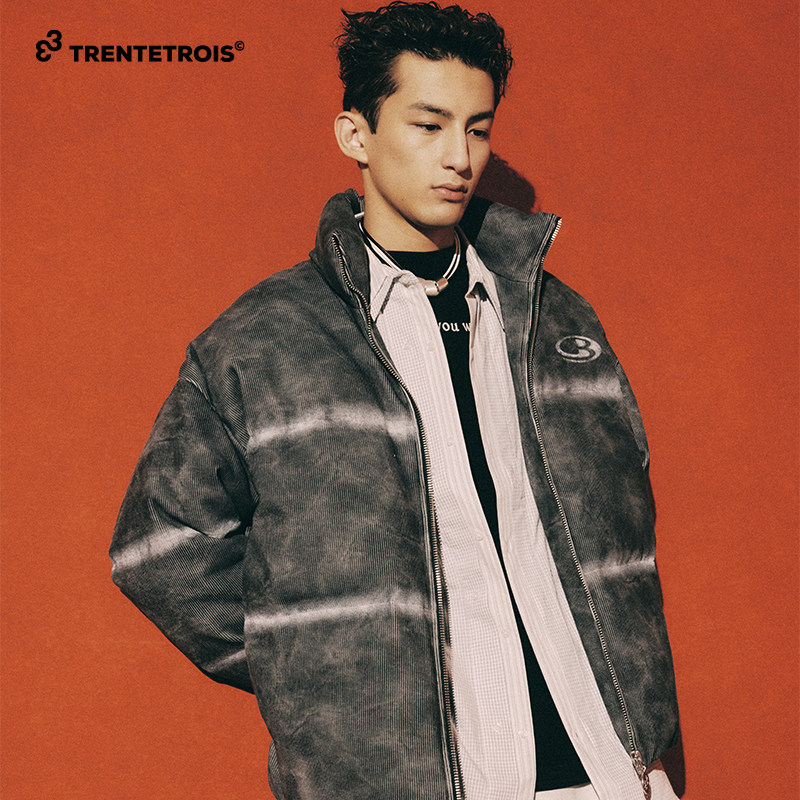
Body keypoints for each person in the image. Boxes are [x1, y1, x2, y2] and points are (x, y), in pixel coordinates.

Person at [110, 3, 681, 799]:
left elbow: (622, 545)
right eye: (428, 125)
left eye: (477, 129)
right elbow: (158, 549)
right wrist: (321, 668)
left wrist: (648, 750)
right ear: (356, 135)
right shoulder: (262, 341)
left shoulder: (557, 322)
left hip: (607, 776)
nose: (459, 158)